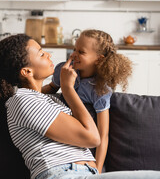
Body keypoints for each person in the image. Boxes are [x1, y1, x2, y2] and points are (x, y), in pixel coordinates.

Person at [0, 34, 160, 179]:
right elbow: (93, 138)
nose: (48, 54)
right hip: (63, 174)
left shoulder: (44, 99)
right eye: (41, 53)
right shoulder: (23, 101)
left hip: (81, 174)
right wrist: (68, 88)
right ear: (26, 71)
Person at [42, 29, 132, 173]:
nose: (73, 54)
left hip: (83, 141)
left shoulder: (100, 89)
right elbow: (50, 88)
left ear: (99, 59)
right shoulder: (64, 70)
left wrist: (98, 170)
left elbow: (103, 135)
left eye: (81, 52)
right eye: (74, 49)